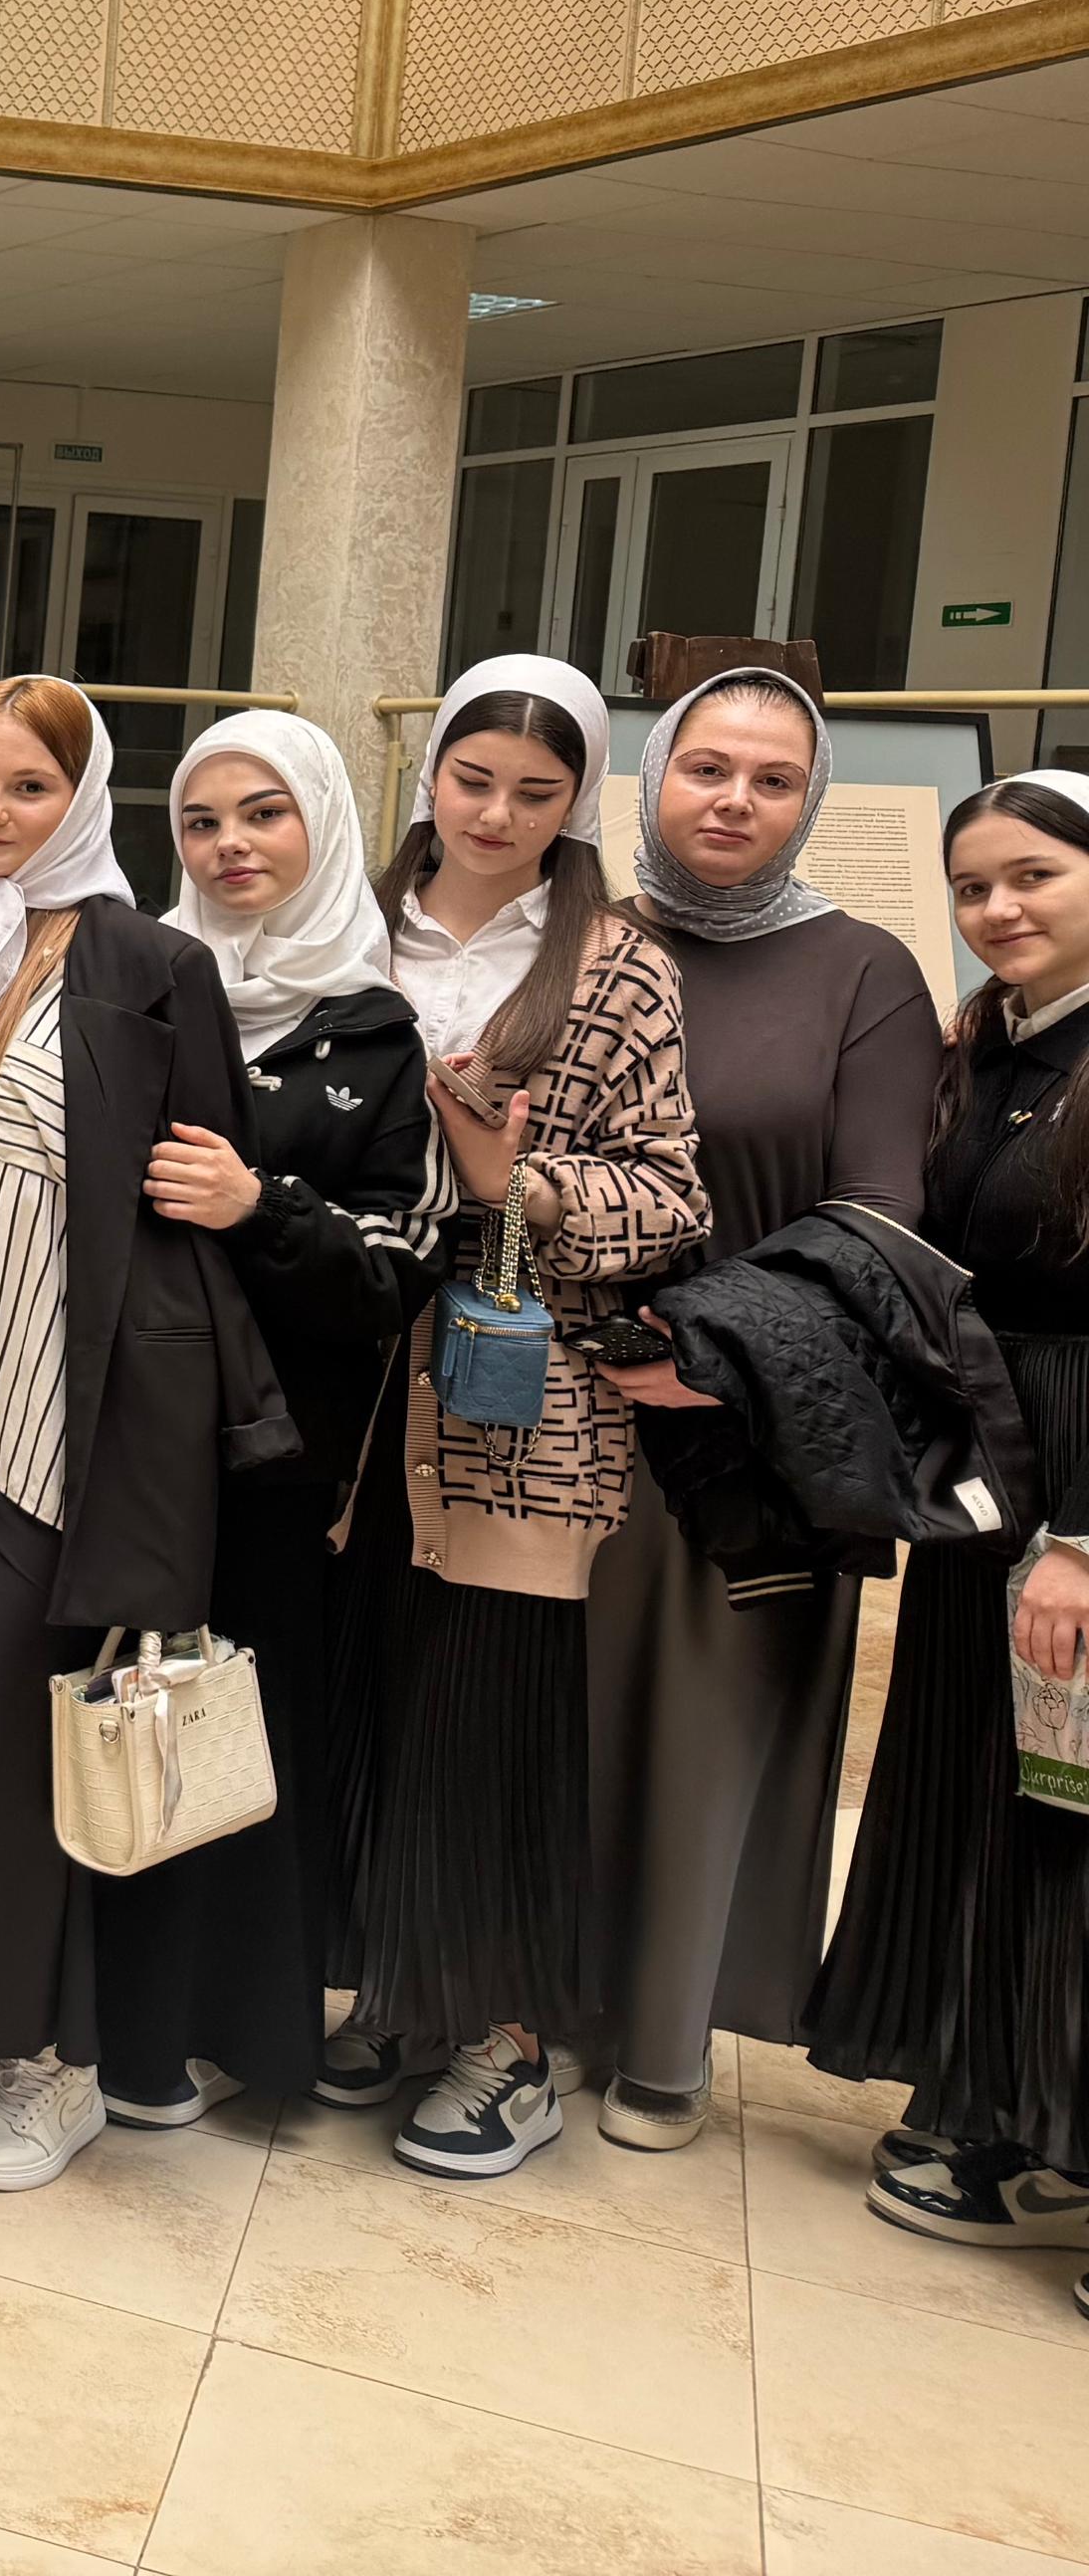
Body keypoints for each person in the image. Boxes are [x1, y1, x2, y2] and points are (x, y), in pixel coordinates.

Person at [0, 675, 294, 2196]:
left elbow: (193, 1234)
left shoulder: (151, 968)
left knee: (15, 1733)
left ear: (81, 802)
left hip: (51, 1427)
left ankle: (54, 2061)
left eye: (29, 787)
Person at [327, 655, 706, 2182]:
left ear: (579, 803)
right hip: (344, 1379)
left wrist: (519, 1181)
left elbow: (672, 1196)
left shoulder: (619, 963)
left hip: (519, 1393)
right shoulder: (350, 923)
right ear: (430, 775)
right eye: (472, 779)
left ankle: (510, 2042)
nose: (493, 814)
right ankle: (393, 1994)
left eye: (535, 793)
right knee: (364, 1690)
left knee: (491, 1712)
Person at [577, 671, 937, 2148]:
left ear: (810, 802)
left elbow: (879, 1212)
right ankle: (513, 2001)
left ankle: (662, 2039)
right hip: (556, 1401)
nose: (732, 799)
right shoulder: (582, 935)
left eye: (772, 779)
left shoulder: (863, 970)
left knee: (708, 1720)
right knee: (550, 1706)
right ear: (651, 775)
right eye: (705, 766)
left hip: (751, 1415)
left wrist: (711, 1352)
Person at [97, 714, 439, 2127]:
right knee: (115, 1711)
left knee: (242, 1727)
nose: (229, 846)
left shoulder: (378, 1028)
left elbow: (396, 1274)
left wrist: (260, 1207)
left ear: (323, 827)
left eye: (264, 814)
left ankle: (235, 2029)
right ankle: (110, 2028)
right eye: (200, 820)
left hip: (281, 1455)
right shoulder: (126, 990)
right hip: (118, 1440)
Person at [810, 771, 1089, 2276]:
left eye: (1032, 875)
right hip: (994, 1463)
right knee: (997, 1789)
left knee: (1078, 1801)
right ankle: (999, 2103)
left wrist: (1085, 1544)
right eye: (973, 885)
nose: (997, 908)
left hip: (1076, 1483)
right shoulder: (988, 1047)